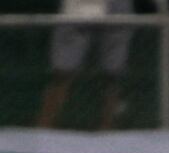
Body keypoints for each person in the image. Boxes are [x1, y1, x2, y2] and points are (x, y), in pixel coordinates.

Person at [37, 0, 134, 131]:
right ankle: (43, 129)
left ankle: (108, 130)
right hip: (80, 5)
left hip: (117, 6)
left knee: (113, 74)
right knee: (62, 71)